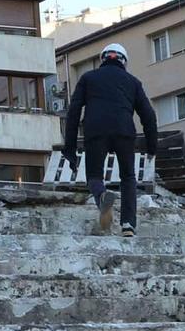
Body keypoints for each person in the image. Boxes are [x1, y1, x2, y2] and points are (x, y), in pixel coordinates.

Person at [63, 42, 158, 236]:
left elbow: (73, 112)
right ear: (124, 61)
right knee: (128, 177)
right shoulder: (133, 82)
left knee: (94, 177)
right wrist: (152, 147)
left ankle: (101, 195)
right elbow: (148, 115)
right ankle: (128, 224)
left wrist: (70, 148)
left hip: (95, 130)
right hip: (124, 131)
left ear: (103, 59)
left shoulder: (88, 78)